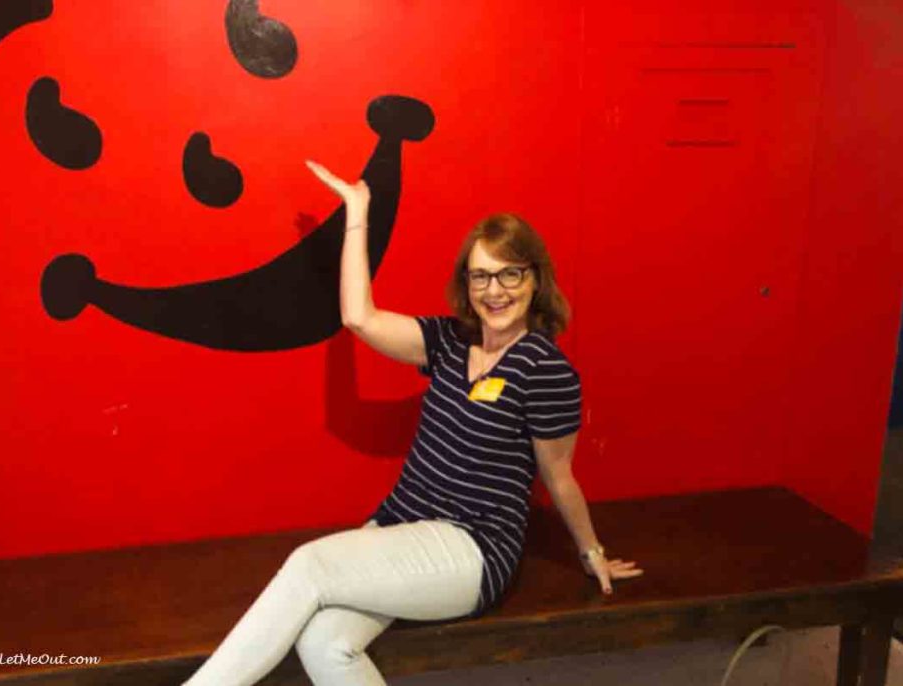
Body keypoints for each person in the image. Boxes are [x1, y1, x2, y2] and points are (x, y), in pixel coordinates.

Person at [182, 161, 644, 686]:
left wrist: (591, 553)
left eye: (510, 273)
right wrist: (358, 212)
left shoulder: (546, 369)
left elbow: (559, 474)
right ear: (466, 285)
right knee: (326, 644)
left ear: (535, 280)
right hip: (400, 527)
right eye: (480, 276)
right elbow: (359, 317)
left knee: (309, 565)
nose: (495, 290)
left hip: (471, 548)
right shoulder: (449, 341)